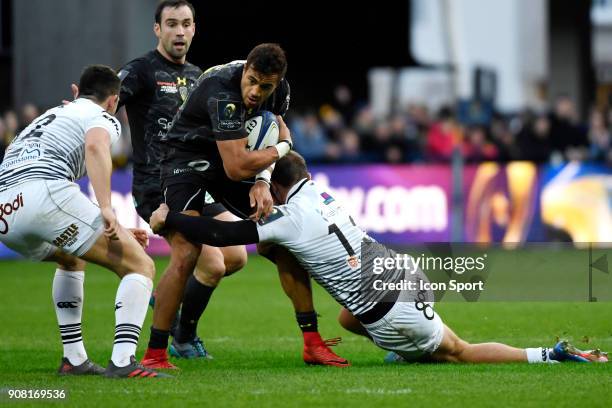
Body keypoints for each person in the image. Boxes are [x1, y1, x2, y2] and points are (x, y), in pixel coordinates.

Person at [150, 151, 609, 365]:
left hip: (391, 310)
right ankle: (411, 347)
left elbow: (221, 232)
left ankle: (548, 355)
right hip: (403, 273)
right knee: (350, 320)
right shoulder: (326, 196)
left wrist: (173, 217)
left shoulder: (288, 217)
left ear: (279, 188)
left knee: (459, 353)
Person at [144, 43, 349, 369]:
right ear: (245, 69)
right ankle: (155, 354)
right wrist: (277, 153)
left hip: (231, 156)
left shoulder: (279, 90)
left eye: (264, 86)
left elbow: (277, 130)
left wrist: (264, 181)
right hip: (187, 162)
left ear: (277, 81)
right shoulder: (222, 89)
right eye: (251, 80)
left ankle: (312, 342)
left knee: (281, 242)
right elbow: (242, 165)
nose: (255, 91)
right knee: (188, 253)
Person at [0, 65, 168, 378]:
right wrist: (106, 208)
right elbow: (95, 146)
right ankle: (123, 362)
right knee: (139, 265)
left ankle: (74, 359)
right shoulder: (103, 116)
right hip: (44, 193)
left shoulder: (49, 115)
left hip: (6, 213)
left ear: (76, 91)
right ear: (113, 101)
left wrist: (107, 225)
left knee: (71, 257)